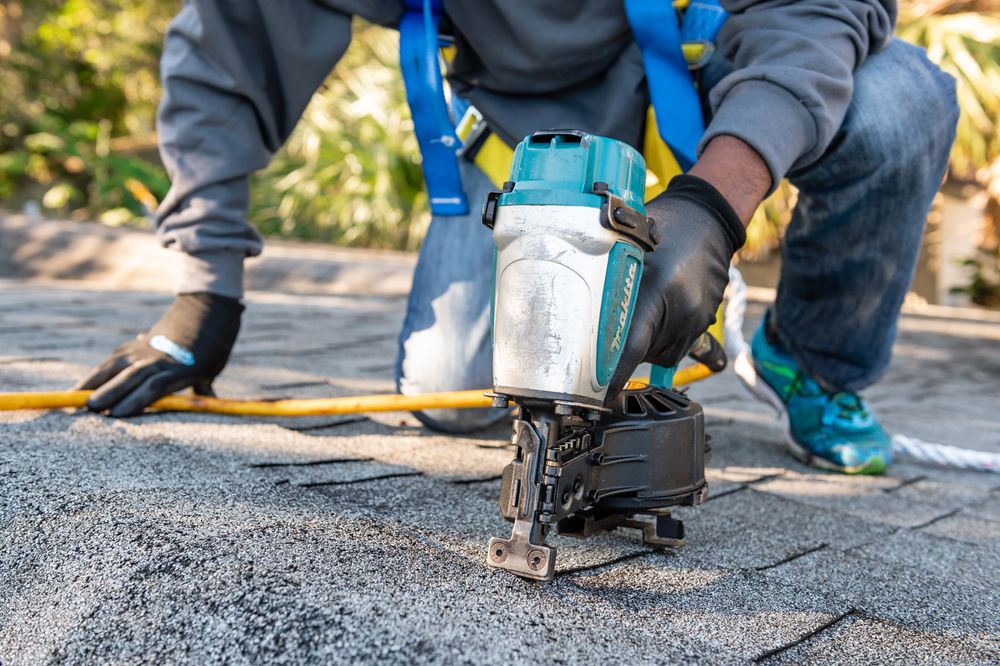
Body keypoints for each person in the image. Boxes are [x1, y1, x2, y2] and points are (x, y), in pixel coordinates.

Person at [76, 1, 957, 475]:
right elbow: (233, 40)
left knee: (897, 105)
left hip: (723, 53)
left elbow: (822, 9)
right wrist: (206, 285)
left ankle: (816, 360)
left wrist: (716, 208)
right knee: (463, 393)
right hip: (539, 115)